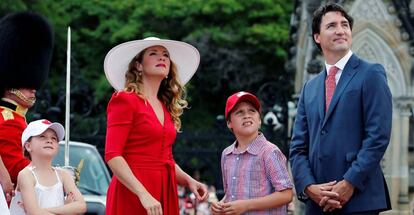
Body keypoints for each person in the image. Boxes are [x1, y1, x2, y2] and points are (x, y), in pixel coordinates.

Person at [289, 3, 392, 214]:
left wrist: (349, 183)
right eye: (332, 25)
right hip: (317, 203)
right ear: (317, 37)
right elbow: (297, 147)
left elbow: (377, 137)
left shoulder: (371, 73)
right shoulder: (310, 88)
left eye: (345, 25)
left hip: (359, 200)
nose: (340, 30)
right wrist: (309, 187)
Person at [103, 37, 208, 215]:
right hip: (133, 191)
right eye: (154, 53)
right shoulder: (125, 99)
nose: (162, 58)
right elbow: (113, 156)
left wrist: (188, 180)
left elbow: (165, 160)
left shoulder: (165, 106)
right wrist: (143, 194)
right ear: (138, 65)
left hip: (164, 190)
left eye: (166, 55)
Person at [0, 11, 54, 205]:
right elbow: (15, 166)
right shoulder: (8, 121)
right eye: (27, 85)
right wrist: (52, 175)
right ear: (11, 84)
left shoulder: (17, 118)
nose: (33, 90)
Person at [211, 91, 293, 215]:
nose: (247, 115)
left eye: (252, 111)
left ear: (259, 120)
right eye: (239, 112)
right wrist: (221, 205)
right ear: (229, 123)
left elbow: (286, 195)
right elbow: (231, 195)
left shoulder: (270, 151)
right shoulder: (227, 155)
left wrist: (246, 205)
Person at [8, 119, 86, 214]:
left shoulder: (63, 175)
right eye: (42, 137)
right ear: (28, 146)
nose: (49, 140)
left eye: (54, 138)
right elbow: (34, 212)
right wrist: (65, 210)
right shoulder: (26, 175)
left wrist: (43, 210)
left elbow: (81, 205)